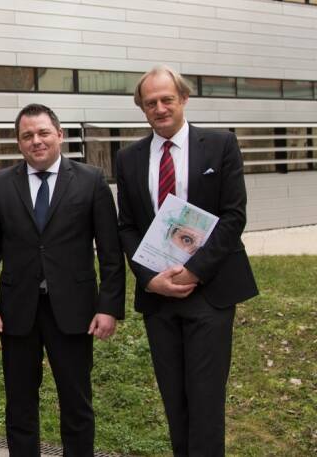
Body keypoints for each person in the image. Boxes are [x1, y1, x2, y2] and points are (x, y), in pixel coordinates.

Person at [114, 66, 258, 456]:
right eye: (150, 103)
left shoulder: (220, 145)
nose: (159, 108)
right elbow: (127, 226)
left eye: (166, 100)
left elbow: (234, 216)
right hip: (160, 297)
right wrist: (148, 278)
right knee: (174, 402)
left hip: (210, 291)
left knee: (206, 402)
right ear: (142, 108)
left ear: (183, 99)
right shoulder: (128, 158)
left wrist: (194, 269)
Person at [0, 104, 125, 457]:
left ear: (60, 135)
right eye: (27, 135)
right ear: (19, 142)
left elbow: (111, 253)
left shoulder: (90, 180)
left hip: (75, 312)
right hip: (17, 312)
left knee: (76, 405)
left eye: (43, 133)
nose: (36, 141)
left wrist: (109, 307)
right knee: (20, 407)